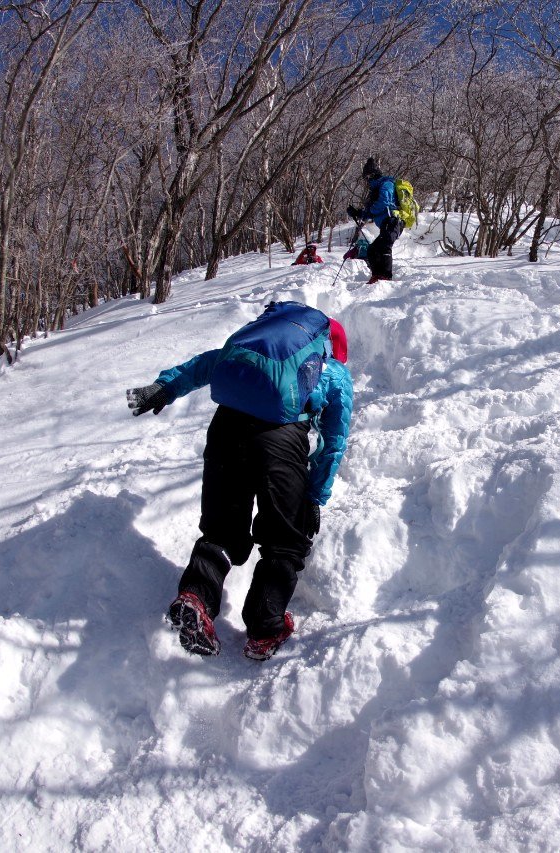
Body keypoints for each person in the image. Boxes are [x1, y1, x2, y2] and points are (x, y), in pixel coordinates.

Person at [125, 304, 354, 661]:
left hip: (226, 429)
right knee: (285, 539)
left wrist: (163, 388)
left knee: (221, 531)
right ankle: (265, 628)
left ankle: (196, 599)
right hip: (281, 440)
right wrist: (314, 496)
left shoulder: (257, 349)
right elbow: (332, 442)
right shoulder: (332, 371)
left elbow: (204, 364)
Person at [346, 157, 403, 284]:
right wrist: (357, 213)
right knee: (372, 250)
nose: (367, 180)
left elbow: (384, 202)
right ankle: (377, 276)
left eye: (367, 177)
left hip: (393, 221)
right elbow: (370, 212)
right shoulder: (375, 190)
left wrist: (370, 211)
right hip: (386, 223)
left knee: (384, 247)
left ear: (372, 175)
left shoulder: (386, 184)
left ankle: (385, 277)